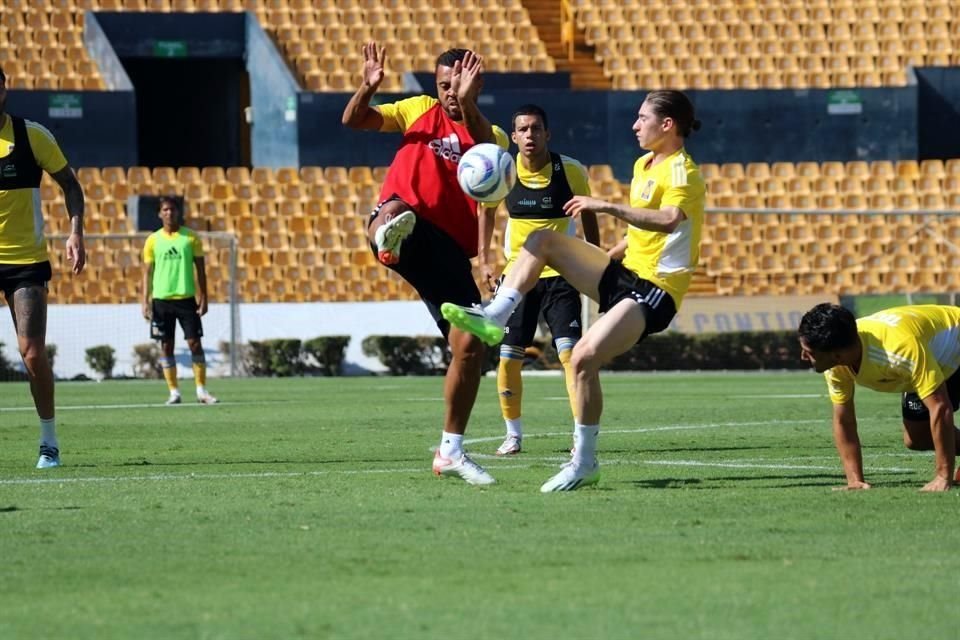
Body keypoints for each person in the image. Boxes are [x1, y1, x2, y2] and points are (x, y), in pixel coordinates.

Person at [443, 90, 704, 492]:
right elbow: (639, 237)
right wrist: (604, 256)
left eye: (642, 118)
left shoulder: (682, 172)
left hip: (656, 290)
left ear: (666, 125)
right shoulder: (644, 163)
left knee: (581, 358)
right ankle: (496, 313)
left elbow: (669, 221)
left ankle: (584, 463)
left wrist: (605, 207)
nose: (635, 125)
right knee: (544, 240)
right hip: (627, 274)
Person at [341, 42, 509, 485]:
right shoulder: (419, 109)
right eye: (444, 85)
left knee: (471, 348)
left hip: (450, 254)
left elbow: (489, 185)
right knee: (399, 213)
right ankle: (386, 239)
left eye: (459, 85)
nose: (450, 92)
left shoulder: (493, 140)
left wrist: (486, 259)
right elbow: (355, 120)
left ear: (476, 83)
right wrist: (367, 87)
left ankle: (450, 451)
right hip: (406, 222)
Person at [476, 104, 599, 456]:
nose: (530, 135)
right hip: (518, 278)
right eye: (523, 130)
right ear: (513, 137)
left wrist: (595, 255)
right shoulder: (504, 171)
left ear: (548, 134)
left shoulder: (569, 170)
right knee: (509, 358)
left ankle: (581, 434)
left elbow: (587, 212)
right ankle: (512, 435)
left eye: (536, 129)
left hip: (561, 276)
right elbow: (485, 212)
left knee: (571, 357)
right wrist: (484, 260)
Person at [0, 65, 86, 469]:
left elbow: (70, 183)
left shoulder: (30, 135)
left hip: (25, 262)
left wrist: (75, 233)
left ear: (4, 89)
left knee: (32, 354)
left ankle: (48, 443)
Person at [798, 303, 960, 492]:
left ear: (837, 355)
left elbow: (940, 407)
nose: (802, 356)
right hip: (933, 356)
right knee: (917, 438)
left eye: (809, 352)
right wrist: (854, 480)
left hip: (954, 343)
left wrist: (943, 476)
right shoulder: (836, 364)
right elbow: (844, 420)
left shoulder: (898, 351)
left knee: (936, 409)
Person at [141, 196, 218, 406]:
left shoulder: (190, 238)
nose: (169, 213)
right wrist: (145, 301)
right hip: (161, 300)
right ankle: (174, 392)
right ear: (159, 213)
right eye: (165, 210)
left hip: (186, 299)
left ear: (178, 212)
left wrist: (204, 297)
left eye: (172, 209)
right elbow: (146, 273)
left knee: (195, 344)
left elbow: (201, 270)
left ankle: (201, 390)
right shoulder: (153, 240)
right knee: (166, 346)